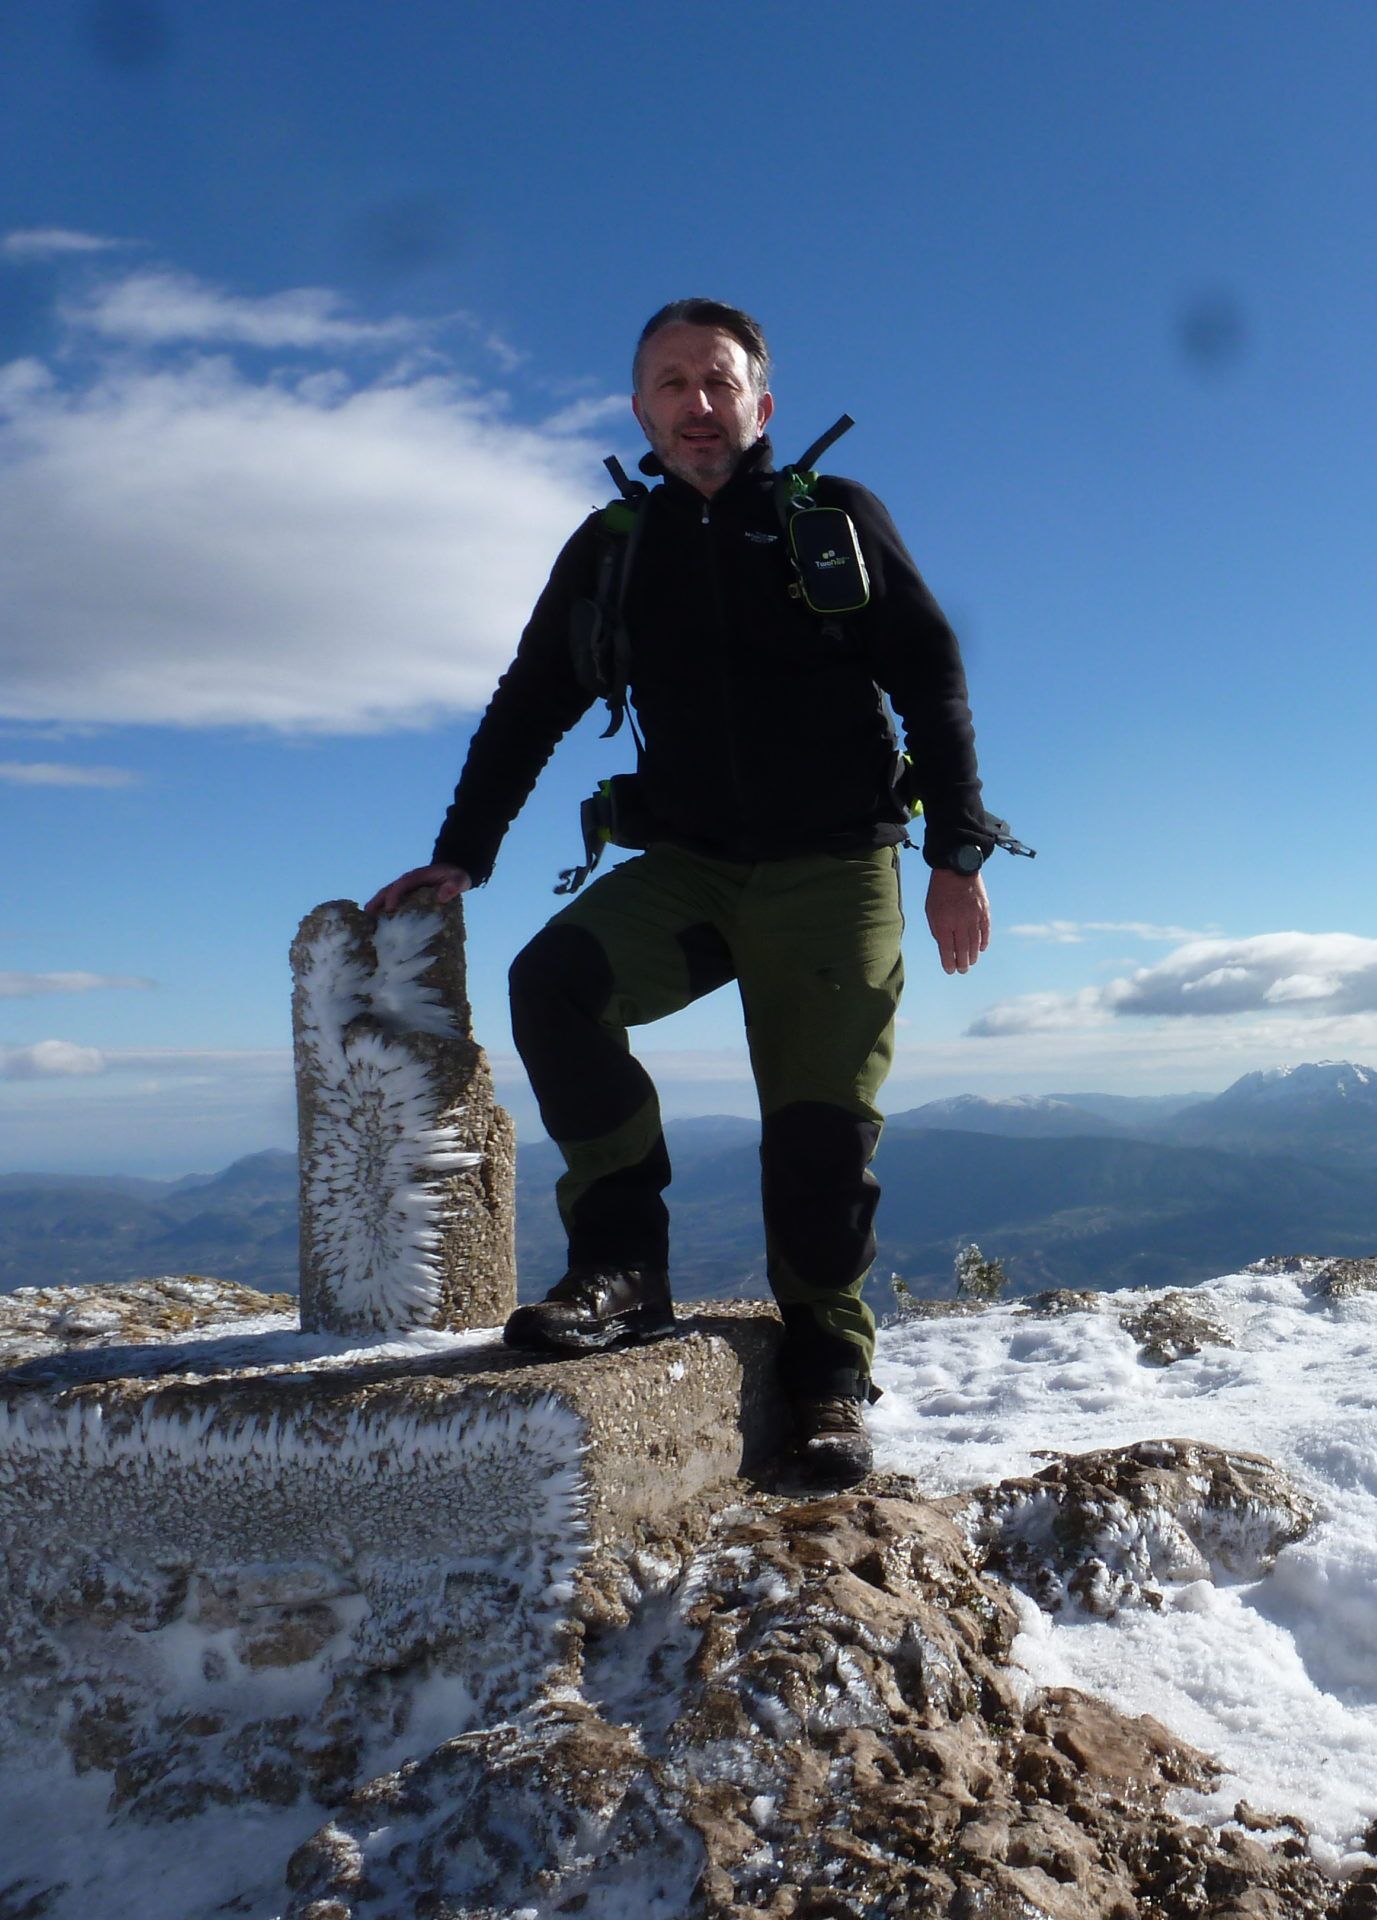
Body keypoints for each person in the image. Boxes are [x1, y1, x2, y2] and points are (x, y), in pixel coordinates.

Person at [369, 298, 1002, 1485]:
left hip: (835, 867)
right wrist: (466, 850)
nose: (697, 407)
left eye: (719, 384)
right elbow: (529, 701)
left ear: (763, 402)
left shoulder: (835, 522)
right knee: (554, 982)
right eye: (671, 385)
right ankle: (625, 1270)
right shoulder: (615, 548)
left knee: (818, 1130)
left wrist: (954, 854)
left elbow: (932, 677)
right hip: (696, 870)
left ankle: (824, 1371)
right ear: (638, 410)